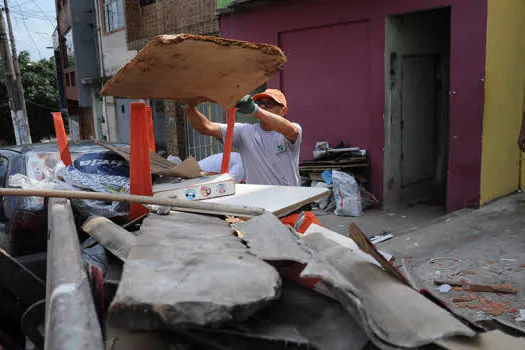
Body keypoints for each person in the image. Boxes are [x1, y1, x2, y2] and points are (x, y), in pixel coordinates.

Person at [184, 89, 302, 186]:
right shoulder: (244, 131)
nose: (263, 106)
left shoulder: (290, 131)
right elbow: (205, 127)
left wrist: (256, 110)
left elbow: (291, 130)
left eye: (270, 103)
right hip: (261, 206)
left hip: (289, 204)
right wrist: (188, 107)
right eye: (260, 103)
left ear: (284, 110)